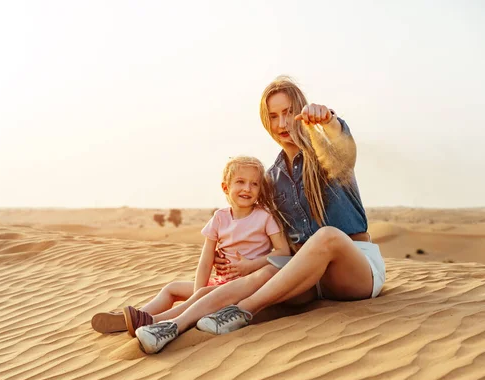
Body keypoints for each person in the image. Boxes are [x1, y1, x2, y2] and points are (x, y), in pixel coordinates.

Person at [135, 76, 386, 354]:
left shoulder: (328, 153)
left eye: (289, 112)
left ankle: (243, 311)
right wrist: (234, 255)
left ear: (302, 111)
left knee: (327, 237)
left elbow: (345, 146)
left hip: (354, 270)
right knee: (259, 276)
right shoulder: (272, 179)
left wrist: (328, 121)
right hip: (308, 278)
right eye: (274, 116)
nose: (282, 124)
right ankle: (167, 324)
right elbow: (262, 229)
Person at [91, 156, 290, 337]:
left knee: (202, 295)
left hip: (246, 288)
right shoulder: (219, 218)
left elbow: (283, 252)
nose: (247, 188)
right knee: (173, 289)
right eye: (240, 182)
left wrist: (251, 265)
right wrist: (196, 292)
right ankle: (138, 316)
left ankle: (157, 321)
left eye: (254, 184)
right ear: (225, 187)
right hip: (220, 283)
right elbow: (205, 261)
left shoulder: (264, 217)